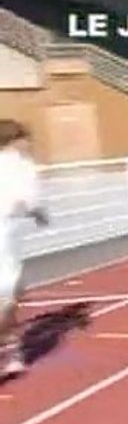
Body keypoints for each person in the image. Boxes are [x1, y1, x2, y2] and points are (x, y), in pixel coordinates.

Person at [0, 119, 49, 378]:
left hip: (7, 235)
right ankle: (13, 351)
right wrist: (39, 213)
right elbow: (29, 200)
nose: (30, 143)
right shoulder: (23, 166)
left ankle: (14, 351)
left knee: (14, 294)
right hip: (4, 238)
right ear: (16, 139)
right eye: (26, 138)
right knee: (9, 297)